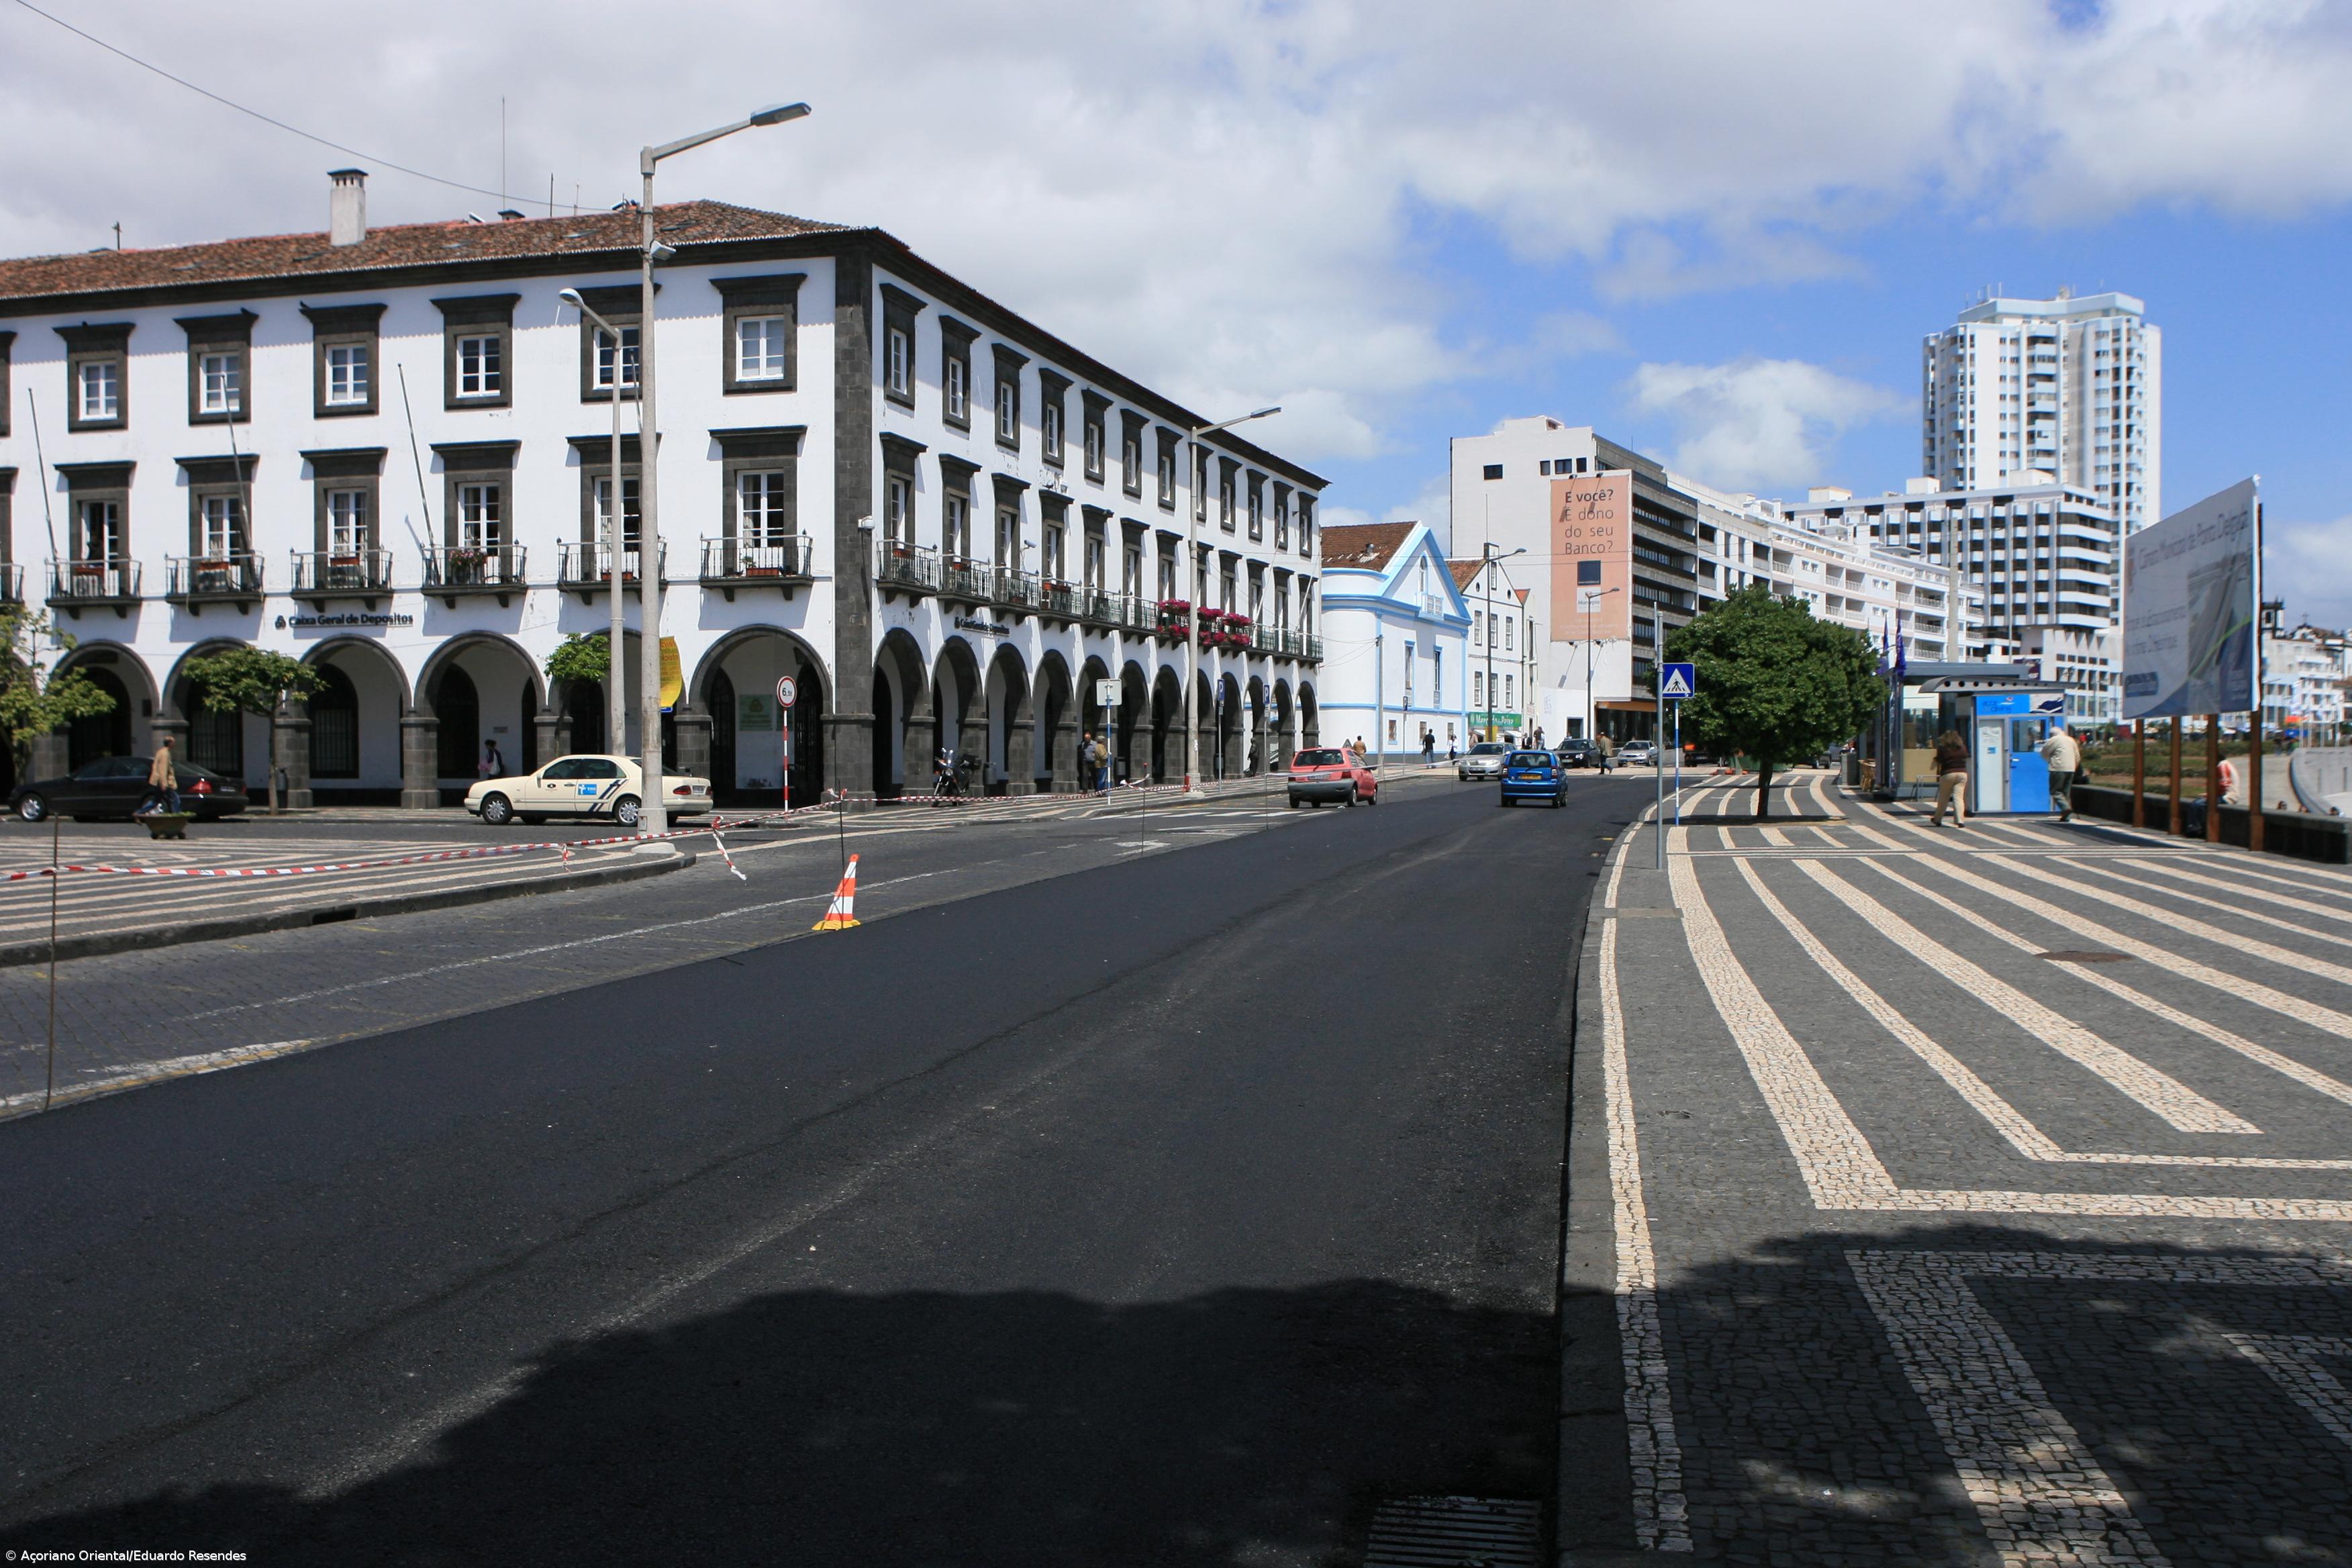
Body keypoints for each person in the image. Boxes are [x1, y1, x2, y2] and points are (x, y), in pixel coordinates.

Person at [2037, 724, 2080, 822]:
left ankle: (2066, 808)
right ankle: (2066, 816)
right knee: (2066, 793)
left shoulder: (2054, 740)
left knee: (2055, 791)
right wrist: (2074, 766)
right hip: (2071, 769)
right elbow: (2077, 756)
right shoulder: (2071, 740)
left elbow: (2044, 753)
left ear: (2052, 734)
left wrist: (2049, 761)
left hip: (2057, 768)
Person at [1930, 728, 1970, 828]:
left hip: (1948, 774)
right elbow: (1966, 756)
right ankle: (1960, 820)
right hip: (1962, 774)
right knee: (1959, 798)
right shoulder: (1963, 748)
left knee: (1944, 798)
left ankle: (1937, 819)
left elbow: (1938, 761)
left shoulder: (1943, 749)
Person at [144, 735, 180, 816]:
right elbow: (163, 770)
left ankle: (139, 812)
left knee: (155, 800)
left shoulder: (161, 752)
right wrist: (164, 784)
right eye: (173, 743)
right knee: (175, 798)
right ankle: (177, 815)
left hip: (159, 782)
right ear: (170, 743)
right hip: (163, 782)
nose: (174, 744)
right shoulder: (165, 754)